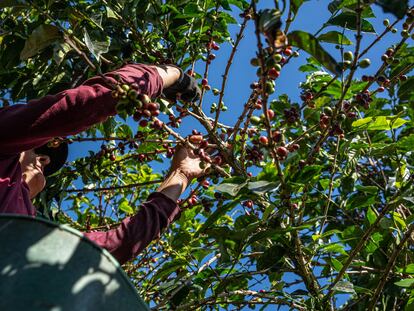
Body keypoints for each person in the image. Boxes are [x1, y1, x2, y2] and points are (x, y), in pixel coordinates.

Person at [0, 63, 203, 265]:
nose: (45, 160)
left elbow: (114, 246)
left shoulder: (34, 235)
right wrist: (169, 74)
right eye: (36, 150)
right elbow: (84, 104)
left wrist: (181, 175)